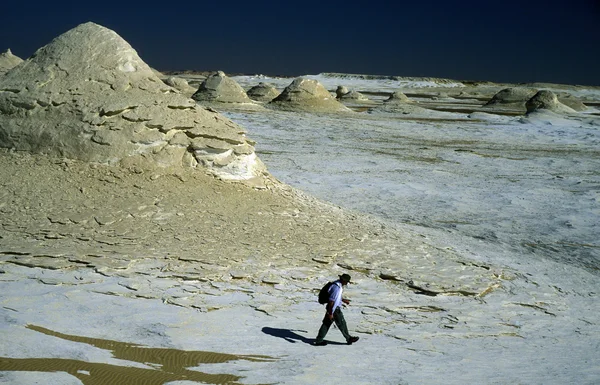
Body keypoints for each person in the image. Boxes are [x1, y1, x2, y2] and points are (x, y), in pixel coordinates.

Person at [314, 273, 360, 346]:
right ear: (344, 281)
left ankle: (319, 340)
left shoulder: (337, 284)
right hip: (334, 309)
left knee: (326, 324)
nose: (346, 283)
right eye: (346, 282)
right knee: (342, 323)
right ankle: (348, 338)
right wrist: (330, 313)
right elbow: (331, 301)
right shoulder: (337, 287)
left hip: (332, 308)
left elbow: (335, 297)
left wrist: (343, 300)